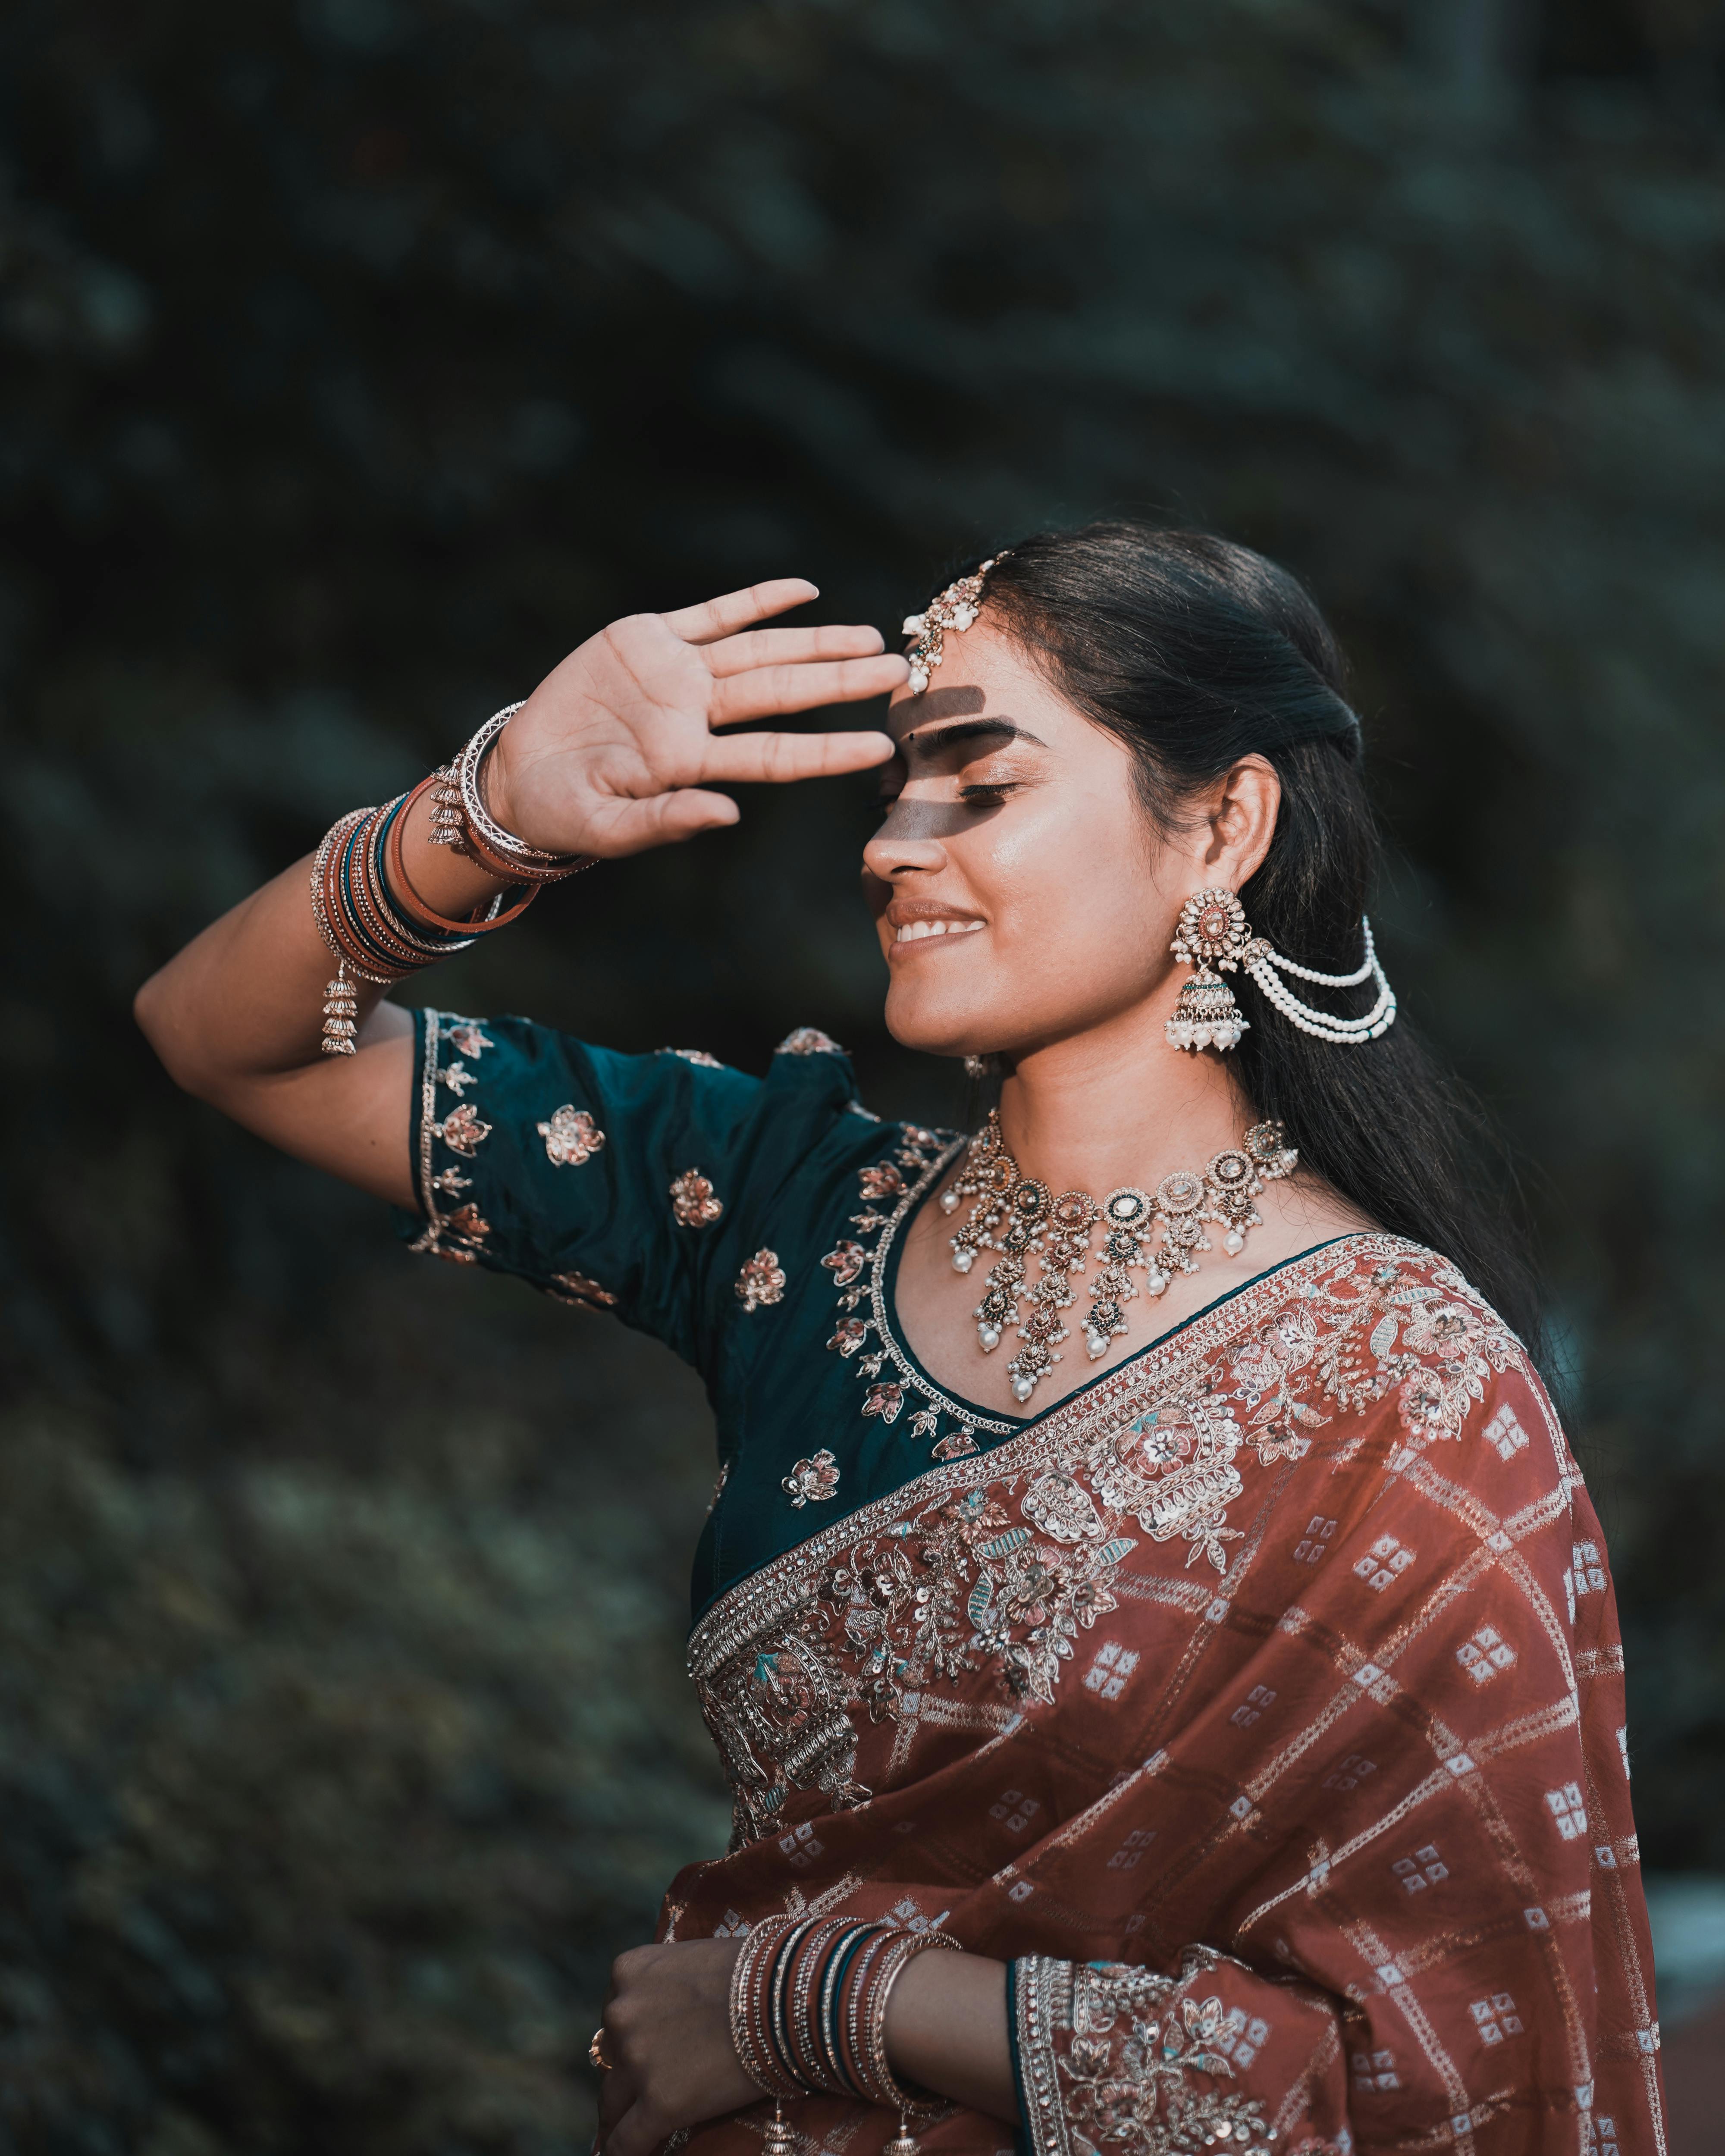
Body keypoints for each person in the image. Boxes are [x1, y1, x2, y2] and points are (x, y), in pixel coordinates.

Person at [135, 523, 1662, 2156]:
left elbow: (1437, 2064)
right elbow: (225, 1039)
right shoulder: (788, 1210)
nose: (890, 847)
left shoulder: (1405, 1385)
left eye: (979, 785)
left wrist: (805, 1999)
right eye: (894, 789)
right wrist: (490, 811)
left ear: (1224, 826)